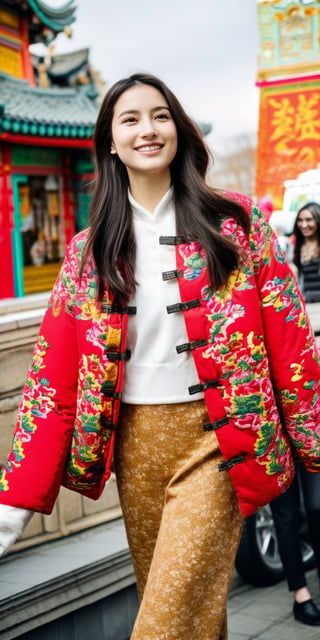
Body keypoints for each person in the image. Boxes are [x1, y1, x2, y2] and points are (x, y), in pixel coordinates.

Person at [0, 73, 320, 640]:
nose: (147, 129)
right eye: (130, 119)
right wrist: (10, 513)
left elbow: (292, 350)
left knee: (164, 627)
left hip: (216, 441)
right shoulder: (85, 254)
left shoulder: (239, 227)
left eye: (159, 115)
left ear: (178, 129)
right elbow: (52, 389)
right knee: (191, 616)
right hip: (134, 449)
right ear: (110, 142)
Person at [270, 466, 320, 626]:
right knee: (286, 514)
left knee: (317, 506)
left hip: (310, 440)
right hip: (271, 443)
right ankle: (300, 594)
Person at [292, 201, 320, 302]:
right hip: (308, 311)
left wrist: (306, 297)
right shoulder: (298, 247)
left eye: (309, 220)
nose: (304, 225)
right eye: (300, 220)